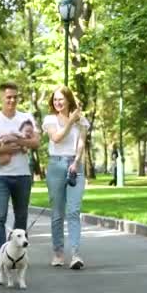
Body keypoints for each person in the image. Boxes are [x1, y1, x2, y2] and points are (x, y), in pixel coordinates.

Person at [0, 82, 40, 261]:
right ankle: (0, 255)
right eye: (8, 97)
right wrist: (5, 150)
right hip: (0, 177)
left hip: (22, 176)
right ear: (1, 98)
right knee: (0, 216)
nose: (12, 100)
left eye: (15, 97)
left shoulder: (26, 118)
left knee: (21, 216)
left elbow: (35, 143)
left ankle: (18, 256)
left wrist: (18, 142)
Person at [42, 86, 90, 270]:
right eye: (55, 100)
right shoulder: (50, 119)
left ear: (69, 100)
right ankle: (58, 253)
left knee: (73, 211)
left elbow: (81, 143)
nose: (58, 103)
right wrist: (70, 122)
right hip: (56, 165)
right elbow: (56, 138)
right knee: (57, 213)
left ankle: (76, 254)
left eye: (61, 99)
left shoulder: (82, 121)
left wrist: (77, 161)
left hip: (74, 166)